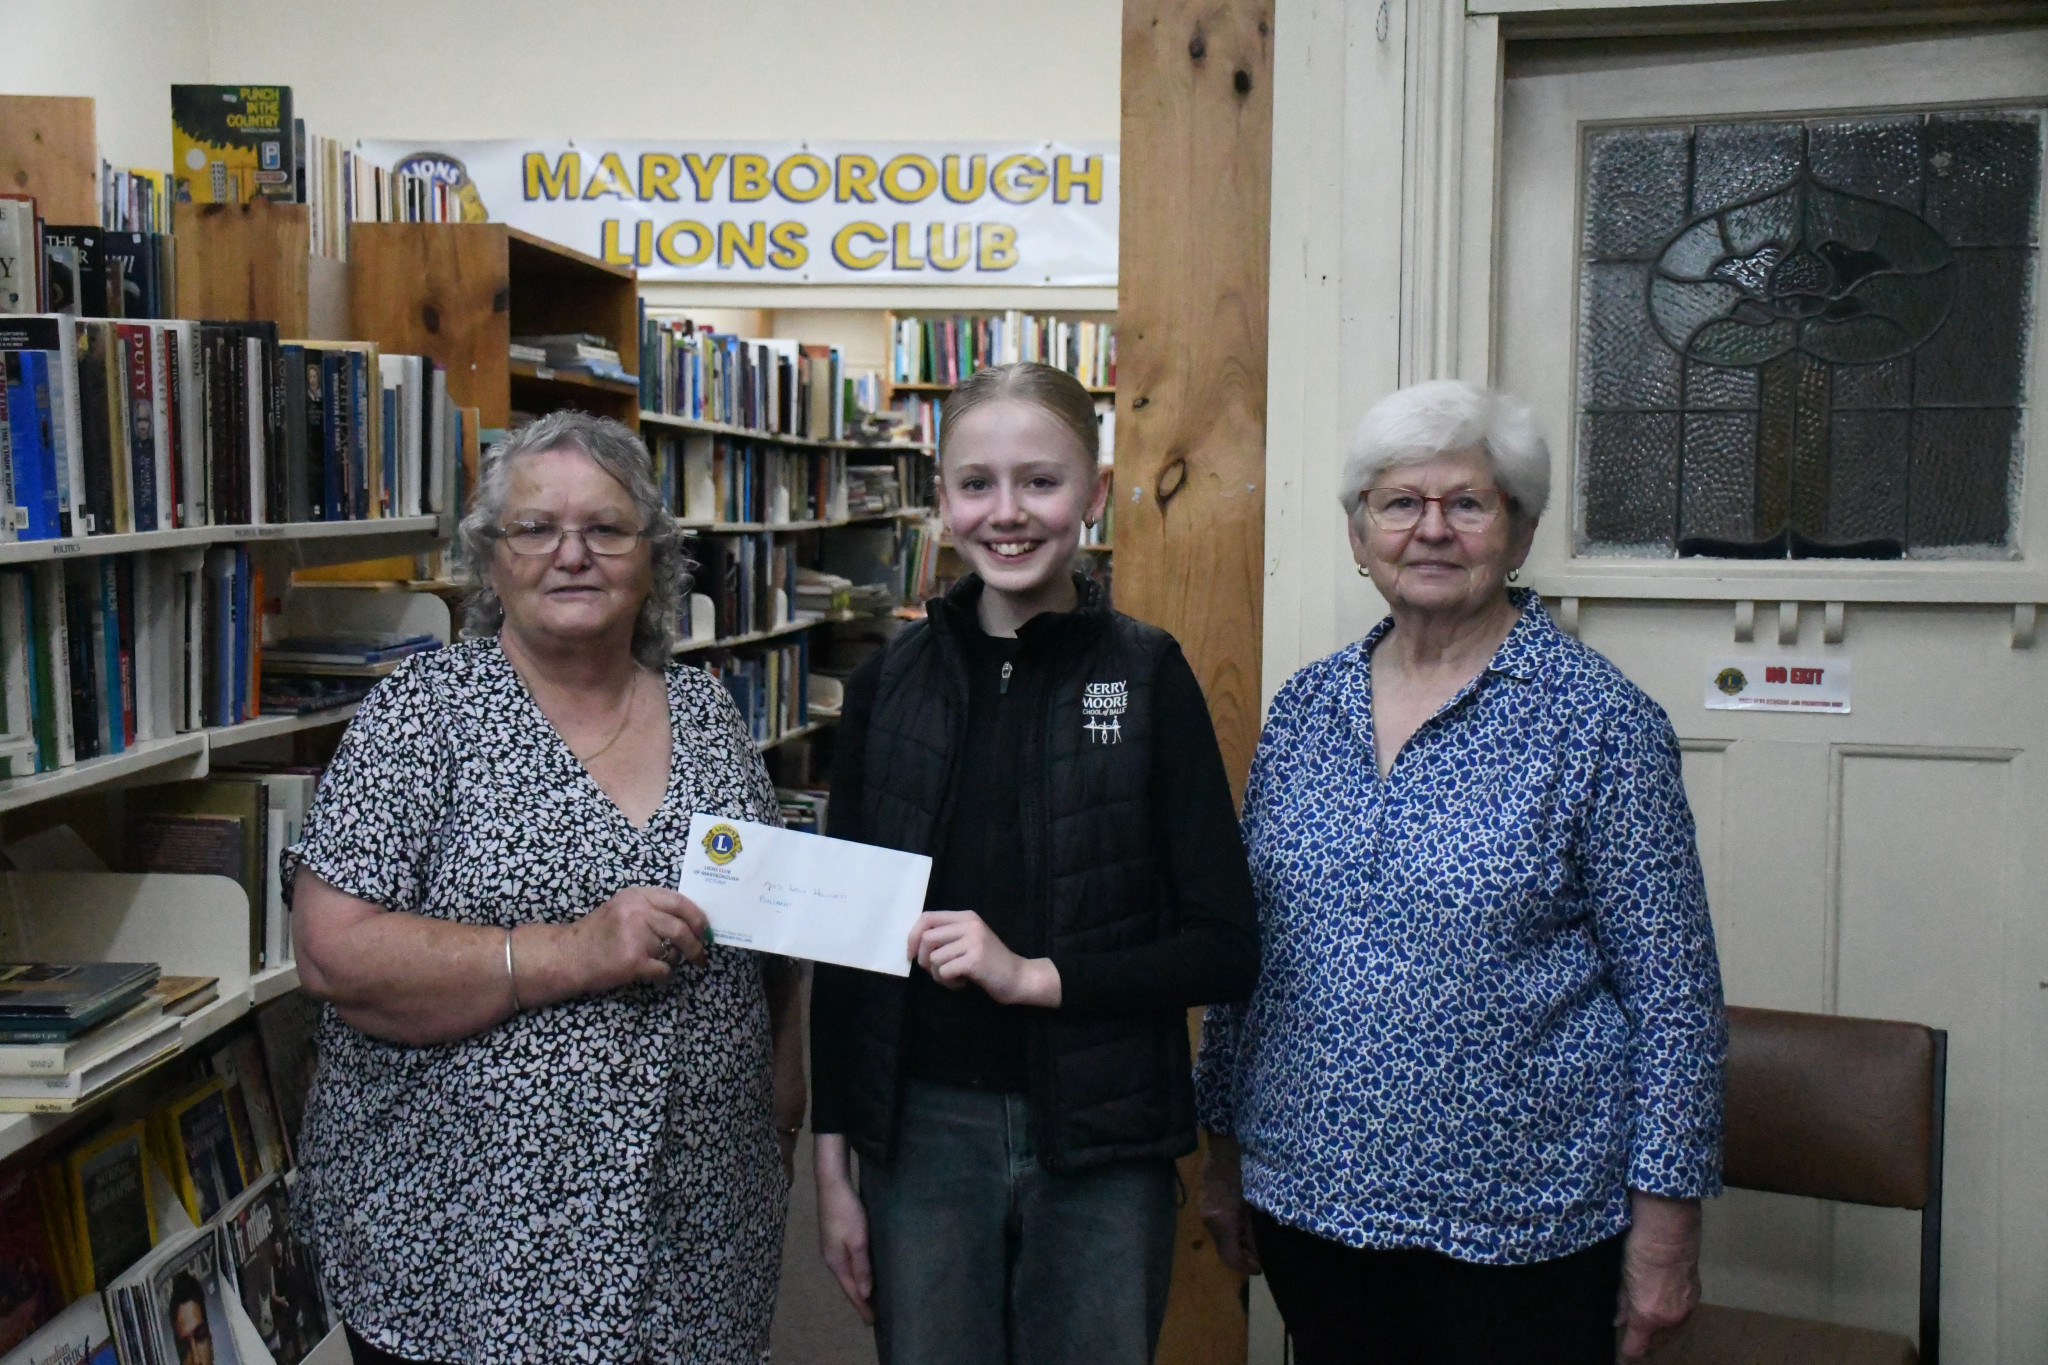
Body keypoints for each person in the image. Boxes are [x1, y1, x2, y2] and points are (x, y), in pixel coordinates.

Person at [1195, 380, 1726, 1365]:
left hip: (1525, 1225)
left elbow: (1675, 1002)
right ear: (1358, 536)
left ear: (1516, 534)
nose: (1429, 529)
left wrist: (1665, 1230)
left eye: (1466, 504)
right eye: (1398, 504)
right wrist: (1223, 1153)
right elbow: (1248, 955)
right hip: (1311, 1200)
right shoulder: (1305, 713)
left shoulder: (1600, 726)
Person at [288, 411, 803, 1365]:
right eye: (535, 528)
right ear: (490, 560)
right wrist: (573, 950)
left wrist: (780, 1103)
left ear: (654, 559)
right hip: (468, 1258)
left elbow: (766, 932)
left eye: (608, 529)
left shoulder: (706, 712)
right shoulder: (424, 713)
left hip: (696, 1243)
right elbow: (330, 948)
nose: (573, 553)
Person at [810, 362, 1260, 1365]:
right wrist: (834, 1164)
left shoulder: (1147, 674)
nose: (1006, 513)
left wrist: (1037, 978)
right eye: (976, 483)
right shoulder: (889, 683)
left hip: (1104, 1137)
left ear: (1094, 494)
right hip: (919, 1133)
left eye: (1040, 482)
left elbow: (1225, 947)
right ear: (941, 499)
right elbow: (842, 939)